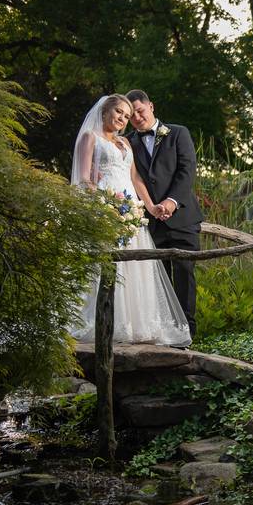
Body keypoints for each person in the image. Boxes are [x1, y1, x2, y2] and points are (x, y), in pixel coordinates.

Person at [69, 94, 192, 347]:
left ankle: (137, 326)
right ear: (105, 110)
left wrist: (149, 207)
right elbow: (83, 179)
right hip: (106, 212)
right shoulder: (89, 138)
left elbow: (135, 179)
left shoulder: (126, 142)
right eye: (120, 113)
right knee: (107, 268)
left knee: (136, 268)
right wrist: (106, 208)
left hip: (131, 214)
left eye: (127, 116)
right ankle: (105, 324)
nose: (124, 119)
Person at [125, 89, 205, 339]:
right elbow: (133, 178)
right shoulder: (128, 142)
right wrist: (150, 206)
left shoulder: (178, 133)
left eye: (140, 110)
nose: (137, 117)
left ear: (151, 106)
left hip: (182, 218)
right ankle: (164, 332)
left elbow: (186, 169)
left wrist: (171, 202)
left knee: (184, 275)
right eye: (132, 115)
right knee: (157, 280)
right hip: (150, 222)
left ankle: (186, 334)